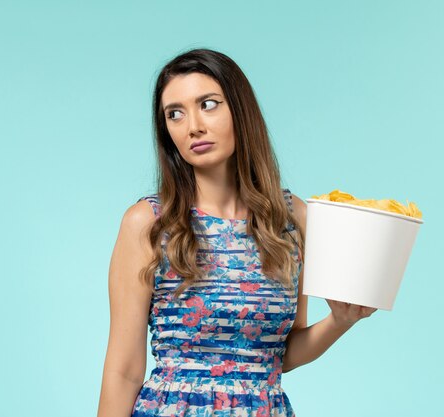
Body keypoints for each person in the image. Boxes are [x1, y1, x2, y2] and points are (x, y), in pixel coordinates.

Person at [97, 48, 377, 417]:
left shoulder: (293, 219)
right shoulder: (149, 222)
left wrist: (341, 321)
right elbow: (123, 370)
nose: (193, 125)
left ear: (240, 111)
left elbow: (282, 354)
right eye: (174, 114)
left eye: (208, 104)